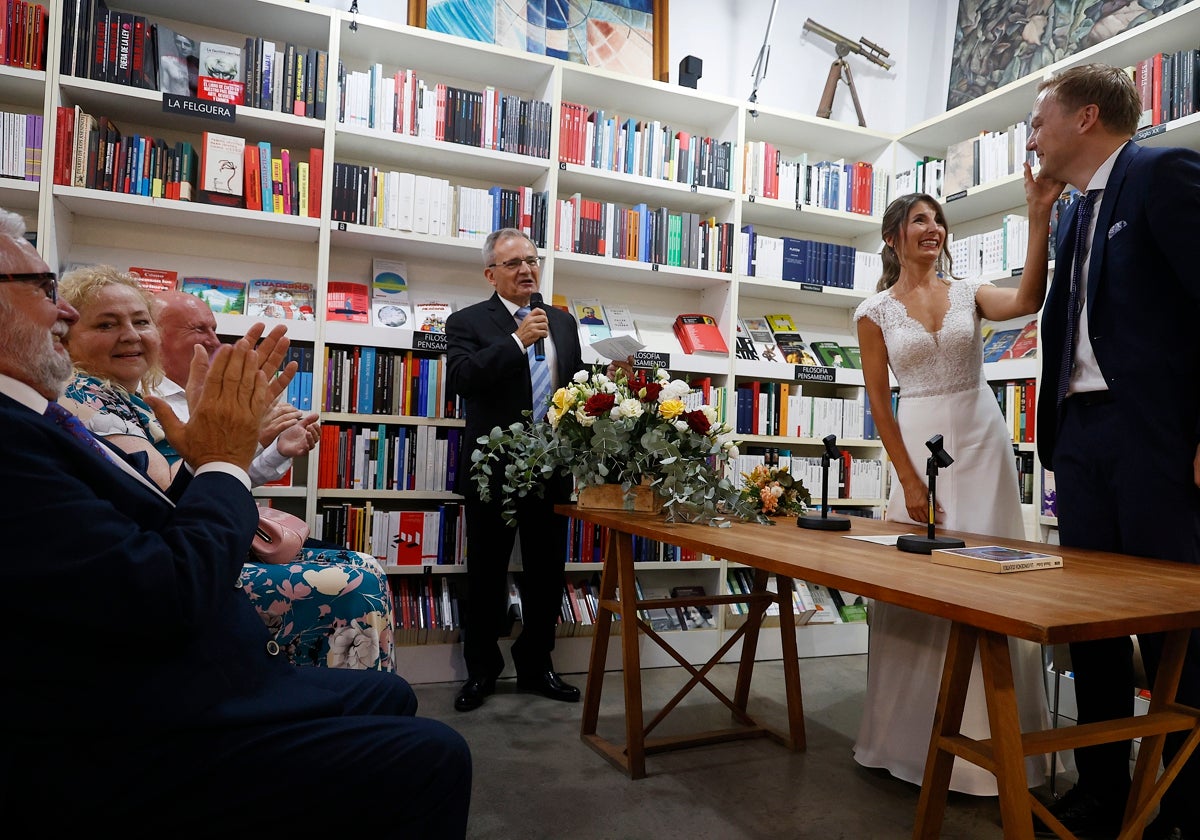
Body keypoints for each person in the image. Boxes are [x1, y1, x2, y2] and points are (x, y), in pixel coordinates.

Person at [0, 208, 471, 833]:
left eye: (139, 321)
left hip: (190, 664)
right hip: (144, 711)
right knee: (439, 752)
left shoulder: (65, 413)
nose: (62, 314)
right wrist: (225, 456)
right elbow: (167, 575)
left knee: (390, 693)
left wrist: (234, 454)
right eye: (45, 290)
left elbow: (168, 506)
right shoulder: (35, 428)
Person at [1027, 63, 1200, 840]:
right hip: (1083, 439)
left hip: (1156, 438)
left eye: (1039, 121)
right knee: (1090, 627)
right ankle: (1104, 789)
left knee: (1176, 627)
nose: (1032, 136)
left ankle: (1186, 802)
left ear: (1086, 117)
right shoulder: (1069, 215)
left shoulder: (1163, 170)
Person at [851, 174, 1063, 796]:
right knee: (919, 587)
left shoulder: (969, 292)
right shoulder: (874, 312)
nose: (933, 229)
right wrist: (908, 480)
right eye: (919, 220)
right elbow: (879, 407)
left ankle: (996, 748)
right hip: (917, 441)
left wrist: (1038, 216)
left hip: (982, 439)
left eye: (938, 221)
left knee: (995, 579)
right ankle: (906, 742)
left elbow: (1028, 298)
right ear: (895, 237)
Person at [446, 227, 585, 712]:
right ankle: (481, 671)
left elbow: (574, 389)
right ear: (491, 274)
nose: (526, 269)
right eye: (513, 263)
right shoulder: (466, 322)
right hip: (494, 471)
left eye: (531, 260)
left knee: (547, 573)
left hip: (553, 469)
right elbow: (462, 380)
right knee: (486, 572)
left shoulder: (564, 322)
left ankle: (537, 666)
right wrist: (515, 340)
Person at [152, 288, 320, 488]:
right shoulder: (137, 398)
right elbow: (170, 492)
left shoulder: (217, 395)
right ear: (154, 334)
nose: (214, 341)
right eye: (198, 329)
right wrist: (254, 436)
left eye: (214, 329)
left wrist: (278, 451)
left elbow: (225, 479)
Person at [57, 265, 182, 490]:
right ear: (65, 339)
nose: (131, 335)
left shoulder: (132, 397)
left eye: (141, 322)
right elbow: (166, 493)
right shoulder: (80, 395)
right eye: (106, 325)